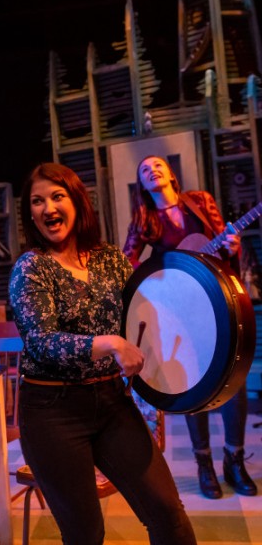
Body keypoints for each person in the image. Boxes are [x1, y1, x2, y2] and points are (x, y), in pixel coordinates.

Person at [9, 162, 196, 545]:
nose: (48, 208)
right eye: (37, 201)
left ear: (77, 201)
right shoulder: (30, 268)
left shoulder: (110, 258)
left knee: (167, 511)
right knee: (85, 534)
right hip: (51, 412)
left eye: (57, 196)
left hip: (112, 402)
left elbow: (143, 313)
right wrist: (110, 343)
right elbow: (42, 341)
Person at [123, 154, 257, 499]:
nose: (152, 170)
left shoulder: (200, 202)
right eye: (144, 169)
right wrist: (159, 278)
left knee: (233, 378)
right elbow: (127, 262)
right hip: (177, 309)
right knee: (189, 380)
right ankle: (204, 465)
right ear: (143, 184)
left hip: (215, 301)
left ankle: (234, 460)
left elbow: (222, 244)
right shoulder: (144, 218)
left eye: (157, 165)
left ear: (170, 174)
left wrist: (232, 245)